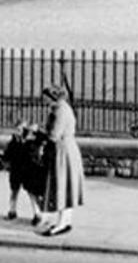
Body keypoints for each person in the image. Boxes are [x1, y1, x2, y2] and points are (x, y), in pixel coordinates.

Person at [40, 84, 84, 236]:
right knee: (67, 186)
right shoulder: (63, 108)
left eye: (46, 99)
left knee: (61, 186)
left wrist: (39, 132)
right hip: (68, 149)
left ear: (53, 97)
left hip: (62, 151)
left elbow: (54, 135)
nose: (45, 102)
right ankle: (66, 221)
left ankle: (61, 224)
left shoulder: (60, 111)